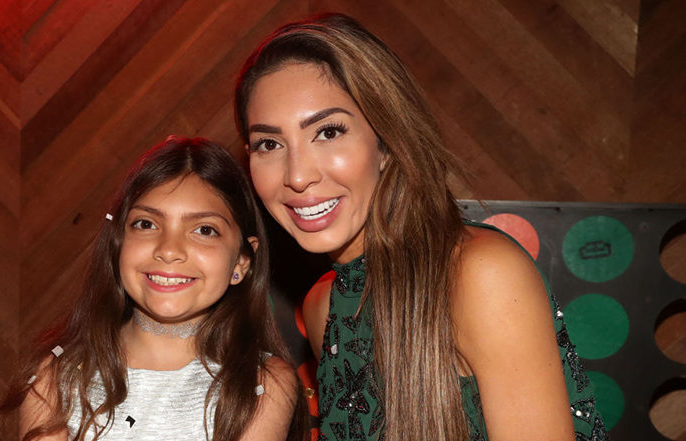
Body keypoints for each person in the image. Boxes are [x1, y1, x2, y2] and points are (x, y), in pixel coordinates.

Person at [234, 13, 607, 441]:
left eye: (328, 132)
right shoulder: (324, 308)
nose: (298, 176)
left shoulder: (479, 275)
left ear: (386, 142)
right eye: (269, 144)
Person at [0, 137, 306, 441]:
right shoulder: (57, 375)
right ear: (118, 243)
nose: (168, 250)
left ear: (241, 262)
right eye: (146, 224)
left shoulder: (261, 382)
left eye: (204, 230)